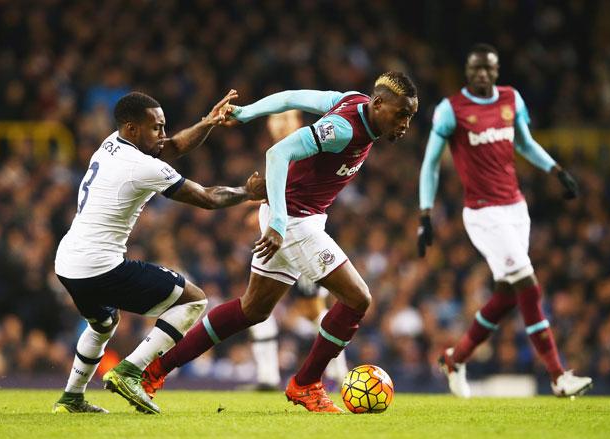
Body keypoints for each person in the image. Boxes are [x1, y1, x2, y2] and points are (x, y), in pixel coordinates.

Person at [141, 72, 418, 413]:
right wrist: (277, 223)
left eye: (410, 116)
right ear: (378, 104)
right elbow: (277, 153)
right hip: (294, 222)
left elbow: (291, 97)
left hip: (294, 217)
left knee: (251, 309)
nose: (405, 124)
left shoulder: (353, 100)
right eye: (401, 114)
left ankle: (155, 369)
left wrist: (246, 112)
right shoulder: (344, 129)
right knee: (358, 298)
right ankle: (306, 384)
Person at [52, 90, 266, 415]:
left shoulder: (113, 142)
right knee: (194, 299)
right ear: (133, 128)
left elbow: (175, 146)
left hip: (68, 263)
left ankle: (71, 398)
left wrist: (207, 123)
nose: (163, 135)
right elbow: (207, 198)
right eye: (156, 128)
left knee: (103, 324)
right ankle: (130, 371)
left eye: (163, 126)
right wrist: (246, 193)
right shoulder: (141, 165)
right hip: (99, 266)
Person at [417, 43, 592, 398]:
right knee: (527, 282)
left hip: (515, 209)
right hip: (483, 213)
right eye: (475, 68)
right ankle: (558, 375)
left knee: (508, 296)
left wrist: (556, 170)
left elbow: (524, 143)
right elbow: (431, 163)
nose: (482, 74)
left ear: (497, 71)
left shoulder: (512, 98)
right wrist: (425, 214)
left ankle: (456, 358)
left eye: (489, 68)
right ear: (468, 71)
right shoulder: (451, 110)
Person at [248, 111, 348, 391]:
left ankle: (340, 374)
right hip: (278, 237)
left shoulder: (306, 146)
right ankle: (267, 377)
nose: (279, 123)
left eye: (286, 118)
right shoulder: (278, 152)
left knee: (313, 309)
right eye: (275, 119)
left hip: (302, 235)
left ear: (297, 122)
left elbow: (300, 193)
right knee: (257, 305)